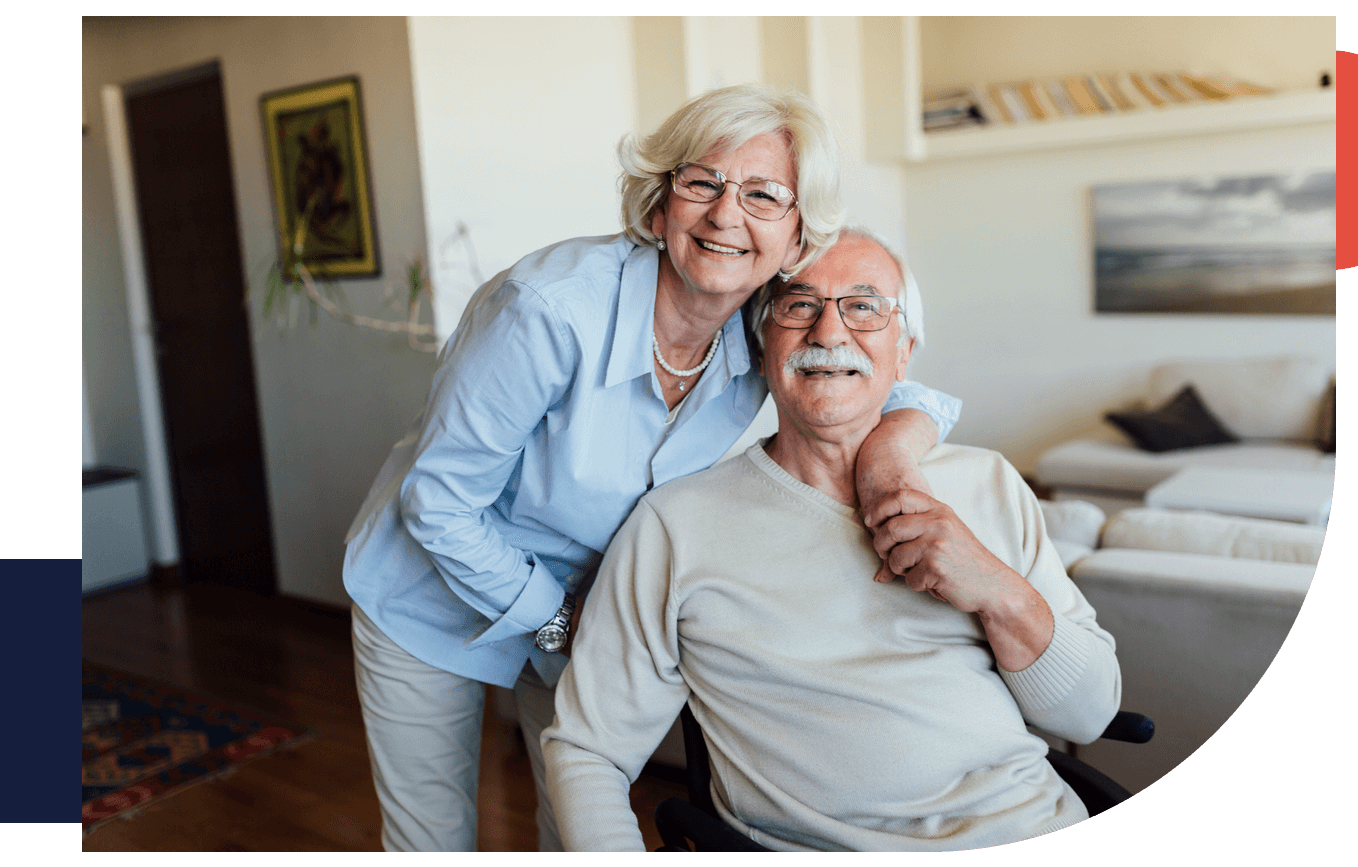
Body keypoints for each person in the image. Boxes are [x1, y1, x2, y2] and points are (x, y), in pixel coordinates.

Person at [341, 86, 963, 852]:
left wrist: (889, 459)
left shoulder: (765, 319)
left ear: (798, 230)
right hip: (426, 590)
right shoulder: (549, 310)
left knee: (574, 820)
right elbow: (435, 502)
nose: (726, 216)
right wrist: (565, 619)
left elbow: (890, 381)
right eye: (702, 182)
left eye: (765, 195)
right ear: (663, 199)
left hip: (575, 609)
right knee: (430, 836)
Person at [541, 227, 1121, 851]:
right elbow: (588, 752)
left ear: (905, 352)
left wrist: (998, 590)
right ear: (763, 342)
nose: (829, 331)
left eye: (864, 306)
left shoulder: (988, 483)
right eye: (799, 305)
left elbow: (1089, 713)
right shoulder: (675, 524)